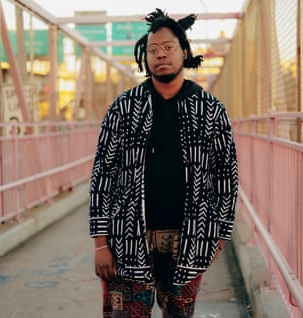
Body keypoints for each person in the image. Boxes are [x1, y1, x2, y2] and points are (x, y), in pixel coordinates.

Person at [89, 8, 239, 318]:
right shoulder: (123, 108)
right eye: (153, 50)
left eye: (168, 47)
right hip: (127, 240)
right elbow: (102, 174)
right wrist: (100, 244)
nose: (160, 55)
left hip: (188, 238)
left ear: (184, 51)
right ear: (145, 58)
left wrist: (220, 236)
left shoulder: (210, 110)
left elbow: (226, 174)